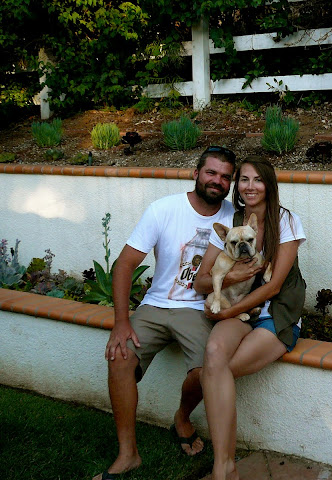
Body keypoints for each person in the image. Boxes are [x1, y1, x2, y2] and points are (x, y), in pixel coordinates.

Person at [93, 146, 263, 480]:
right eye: (211, 172)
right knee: (120, 356)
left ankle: (182, 417)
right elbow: (124, 264)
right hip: (156, 304)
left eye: (225, 176)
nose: (217, 181)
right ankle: (128, 454)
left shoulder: (235, 218)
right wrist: (121, 322)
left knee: (207, 371)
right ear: (196, 173)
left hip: (200, 308)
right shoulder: (163, 209)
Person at [194, 156, 306, 480]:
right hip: (239, 307)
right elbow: (202, 281)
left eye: (258, 179)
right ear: (237, 186)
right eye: (244, 179)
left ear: (269, 184)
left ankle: (222, 467)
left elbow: (274, 286)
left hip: (276, 313)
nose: (251, 186)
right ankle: (225, 465)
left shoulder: (286, 220)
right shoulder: (230, 223)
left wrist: (228, 311)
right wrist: (228, 284)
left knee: (217, 373)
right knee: (214, 353)